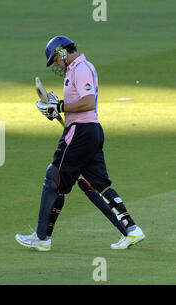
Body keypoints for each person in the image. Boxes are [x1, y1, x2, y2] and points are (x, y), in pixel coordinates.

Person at [15, 35, 145, 251]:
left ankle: (41, 237)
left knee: (53, 178)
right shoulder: (77, 69)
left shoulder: (80, 68)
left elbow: (87, 102)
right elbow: (76, 104)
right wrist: (56, 109)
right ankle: (132, 230)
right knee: (100, 184)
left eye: (56, 59)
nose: (56, 64)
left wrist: (61, 107)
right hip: (89, 131)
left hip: (81, 133)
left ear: (63, 52)